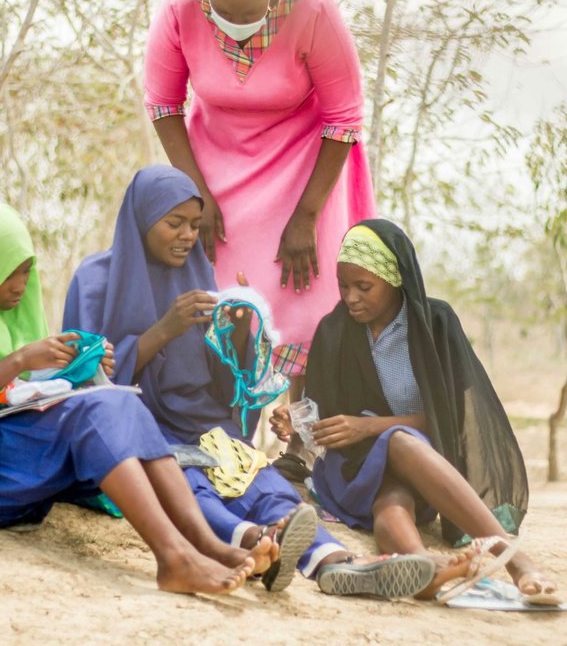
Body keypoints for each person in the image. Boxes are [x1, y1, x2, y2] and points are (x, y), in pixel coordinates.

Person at [63, 166, 436, 599]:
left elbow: (223, 383)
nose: (188, 235)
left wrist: (239, 332)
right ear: (142, 218)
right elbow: (86, 384)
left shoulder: (198, 275)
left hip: (203, 424)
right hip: (142, 432)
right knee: (191, 484)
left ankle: (334, 562)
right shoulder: (95, 281)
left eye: (195, 225)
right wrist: (162, 330)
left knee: (265, 484)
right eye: (174, 223)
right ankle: (254, 541)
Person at [0, 204, 267, 595]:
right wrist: (20, 360)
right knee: (95, 413)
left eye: (26, 271)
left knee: (121, 402)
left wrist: (77, 369)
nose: (20, 285)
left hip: (5, 461)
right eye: (8, 272)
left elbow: (17, 396)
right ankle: (173, 557)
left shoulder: (1, 312)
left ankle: (205, 543)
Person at [143, 0, 375, 421]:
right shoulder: (182, 2)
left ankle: (304, 443)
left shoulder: (312, 6)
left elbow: (344, 119)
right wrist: (197, 193)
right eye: (228, 14)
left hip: (303, 167)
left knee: (305, 301)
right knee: (224, 300)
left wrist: (307, 217)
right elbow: (162, 105)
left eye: (252, 15)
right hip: (212, 166)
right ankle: (222, 436)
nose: (241, 29)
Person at [272, 220, 560, 603]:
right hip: (353, 470)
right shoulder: (333, 330)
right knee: (393, 468)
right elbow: (321, 420)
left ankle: (448, 566)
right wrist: (296, 422)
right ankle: (475, 562)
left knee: (393, 492)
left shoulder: (436, 324)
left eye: (364, 287)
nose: (351, 298)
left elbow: (451, 417)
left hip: (429, 468)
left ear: (395, 279)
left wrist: (370, 427)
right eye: (344, 287)